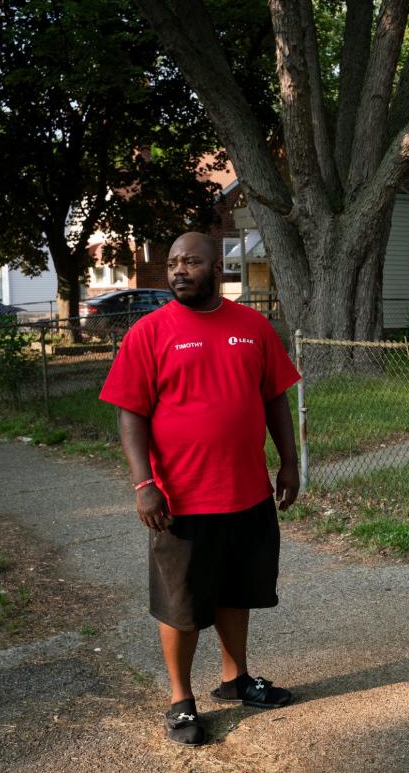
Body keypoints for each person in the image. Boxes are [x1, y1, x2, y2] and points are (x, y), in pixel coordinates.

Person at [99, 232, 300, 746]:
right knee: (181, 604)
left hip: (248, 493)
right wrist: (145, 484)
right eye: (171, 263)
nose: (178, 270)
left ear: (218, 267)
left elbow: (276, 399)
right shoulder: (149, 332)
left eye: (191, 261)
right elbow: (130, 413)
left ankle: (236, 680)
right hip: (181, 500)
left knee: (238, 593)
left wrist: (289, 463)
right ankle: (181, 700)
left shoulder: (253, 327)